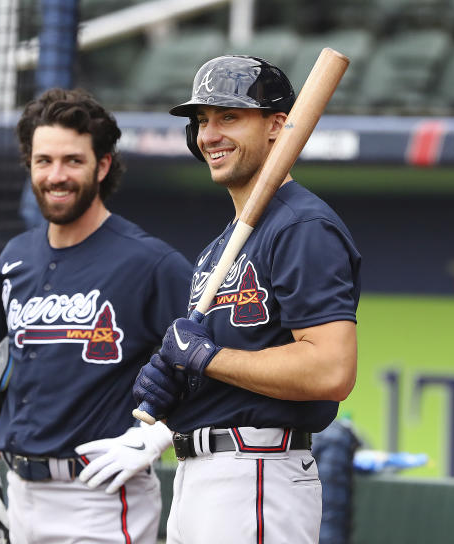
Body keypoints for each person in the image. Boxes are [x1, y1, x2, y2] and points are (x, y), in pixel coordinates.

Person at [133, 55, 362, 544]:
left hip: (257, 474)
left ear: (279, 125)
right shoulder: (218, 250)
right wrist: (177, 385)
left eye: (228, 117)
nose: (209, 135)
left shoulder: (303, 227)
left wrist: (206, 358)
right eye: (202, 121)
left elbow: (331, 370)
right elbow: (231, 368)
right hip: (201, 476)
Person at [0, 88, 193, 544]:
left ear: (103, 165)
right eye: (43, 161)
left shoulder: (151, 263)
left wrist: (160, 435)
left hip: (101, 496)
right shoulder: (14, 258)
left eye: (72, 160)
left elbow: (218, 363)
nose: (56, 175)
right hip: (20, 490)